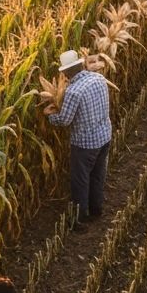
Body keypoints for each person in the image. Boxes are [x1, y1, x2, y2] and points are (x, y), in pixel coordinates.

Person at [45, 49, 111, 228]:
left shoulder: (73, 92)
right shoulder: (98, 78)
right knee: (97, 175)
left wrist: (50, 115)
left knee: (80, 180)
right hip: (105, 136)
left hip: (85, 144)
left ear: (65, 72)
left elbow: (65, 120)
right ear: (81, 65)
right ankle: (96, 210)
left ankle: (79, 219)